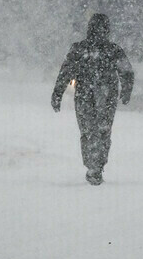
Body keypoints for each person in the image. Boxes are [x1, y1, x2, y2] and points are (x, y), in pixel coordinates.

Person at [51, 13, 134, 185]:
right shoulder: (112, 50)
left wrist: (58, 93)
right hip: (105, 96)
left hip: (84, 96)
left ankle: (92, 165)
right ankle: (96, 166)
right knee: (101, 131)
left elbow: (65, 73)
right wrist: (126, 90)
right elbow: (126, 72)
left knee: (88, 132)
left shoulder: (80, 49)